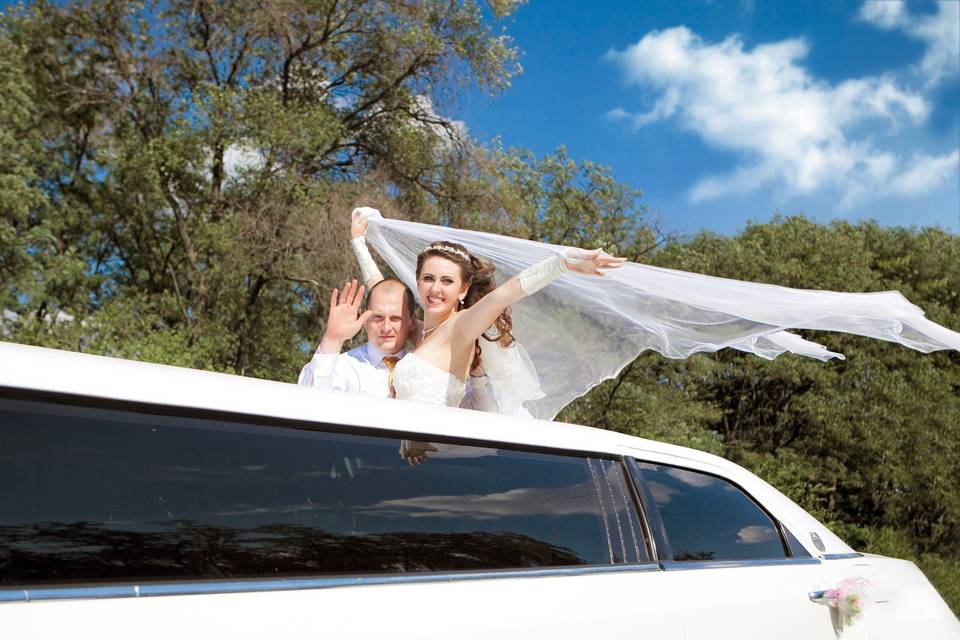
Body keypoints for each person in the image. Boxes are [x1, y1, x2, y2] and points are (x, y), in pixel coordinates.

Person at [350, 208, 626, 409]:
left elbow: (505, 294)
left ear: (463, 290)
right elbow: (380, 291)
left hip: (435, 451)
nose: (436, 289)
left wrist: (562, 263)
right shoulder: (419, 330)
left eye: (447, 281)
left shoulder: (461, 327)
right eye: (428, 278)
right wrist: (359, 242)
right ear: (418, 282)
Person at [297, 278, 416, 397]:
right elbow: (308, 400)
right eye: (377, 317)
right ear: (365, 319)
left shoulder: (423, 369)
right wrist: (332, 339)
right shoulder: (342, 366)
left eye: (395, 318)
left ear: (413, 321)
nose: (386, 327)